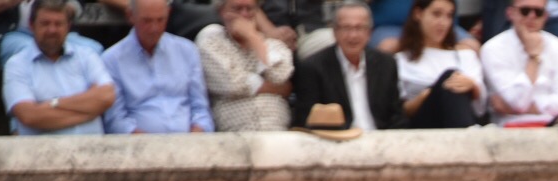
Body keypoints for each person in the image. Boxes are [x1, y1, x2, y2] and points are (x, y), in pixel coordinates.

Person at [2, 0, 116, 136]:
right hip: (40, 154)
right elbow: (29, 115)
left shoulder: (86, 56)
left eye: (58, 24)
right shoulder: (17, 64)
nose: (52, 30)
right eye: (45, 23)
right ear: (32, 26)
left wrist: (52, 104)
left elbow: (107, 96)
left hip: (91, 153)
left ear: (68, 26)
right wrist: (89, 111)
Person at [291, 0, 405, 131]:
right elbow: (305, 119)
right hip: (336, 141)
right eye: (346, 28)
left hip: (379, 140)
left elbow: (397, 117)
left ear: (369, 33)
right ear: (335, 32)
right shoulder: (312, 67)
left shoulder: (386, 64)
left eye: (359, 28)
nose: (353, 35)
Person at [102, 0, 213, 134]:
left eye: (160, 20)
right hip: (139, 148)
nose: (154, 28)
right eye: (147, 21)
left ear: (169, 14)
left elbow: (201, 109)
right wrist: (155, 147)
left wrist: (192, 141)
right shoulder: (112, 59)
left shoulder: (187, 51)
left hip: (191, 145)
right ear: (131, 16)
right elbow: (116, 121)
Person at [197, 0, 293, 130]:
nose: (244, 14)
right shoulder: (211, 42)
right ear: (221, 11)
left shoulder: (274, 45)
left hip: (276, 129)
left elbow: (279, 76)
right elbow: (232, 84)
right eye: (237, 9)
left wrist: (253, 39)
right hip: (237, 132)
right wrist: (276, 88)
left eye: (250, 9)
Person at [482, 0, 558, 121]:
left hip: (554, 127)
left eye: (538, 12)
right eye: (525, 11)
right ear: (510, 13)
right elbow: (518, 102)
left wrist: (521, 109)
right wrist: (533, 58)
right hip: (508, 130)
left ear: (545, 16)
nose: (531, 16)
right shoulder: (492, 49)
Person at [396, 0, 486, 126]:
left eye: (449, 16)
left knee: (453, 78)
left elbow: (481, 108)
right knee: (449, 77)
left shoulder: (465, 55)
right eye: (436, 14)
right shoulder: (400, 59)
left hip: (465, 117)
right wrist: (425, 96)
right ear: (418, 14)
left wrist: (473, 87)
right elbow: (400, 112)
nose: (443, 23)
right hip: (424, 124)